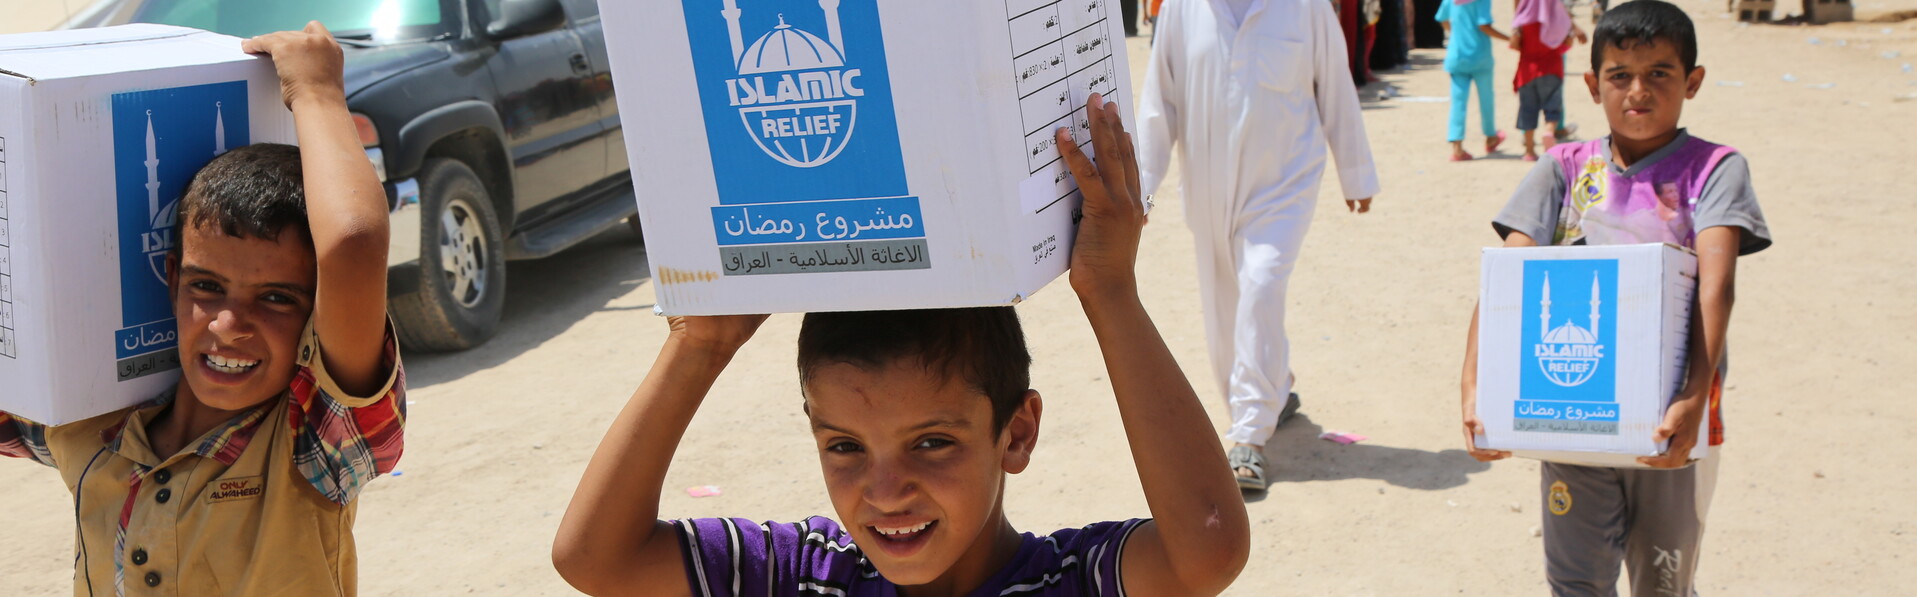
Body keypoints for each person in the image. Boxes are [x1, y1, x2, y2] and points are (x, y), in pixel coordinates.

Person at [550, 94, 1252, 596]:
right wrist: (699, 346)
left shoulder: (1071, 578)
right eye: (845, 446)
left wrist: (1112, 294)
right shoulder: (801, 572)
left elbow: (1207, 548)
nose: (885, 492)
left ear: (1016, 430)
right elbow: (595, 560)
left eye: (931, 441)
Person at [0, 23, 404, 596]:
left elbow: (353, 246)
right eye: (206, 286)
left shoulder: (311, 448)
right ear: (171, 279)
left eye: (276, 298)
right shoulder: (94, 431)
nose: (227, 326)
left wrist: (316, 94)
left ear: (319, 313)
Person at [1458, 2, 1772, 594]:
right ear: (1592, 84)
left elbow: (1716, 284)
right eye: (1619, 75)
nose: (1638, 91)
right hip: (1572, 413)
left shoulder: (1713, 169)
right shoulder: (1563, 169)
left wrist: (1693, 397)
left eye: (1660, 73)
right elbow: (1508, 279)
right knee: (1576, 583)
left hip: (1670, 424)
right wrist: (1477, 387)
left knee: (1664, 581)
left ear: (1693, 82)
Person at [1137, 0, 1380, 493]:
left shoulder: (1306, 7)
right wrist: (1141, 186)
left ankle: (1249, 435)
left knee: (1261, 284)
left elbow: (1334, 83)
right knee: (1226, 308)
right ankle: (1276, 390)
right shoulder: (1183, 9)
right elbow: (1160, 104)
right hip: (1208, 189)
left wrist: (1355, 172)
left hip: (1284, 185)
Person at [1510, 0, 1589, 161]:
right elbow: (1567, 41)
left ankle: (1530, 151)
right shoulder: (1556, 19)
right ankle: (1549, 131)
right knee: (1552, 107)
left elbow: (1515, 44)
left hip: (1527, 71)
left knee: (1527, 109)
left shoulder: (1524, 20)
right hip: (1552, 68)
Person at [1438, 0, 1512, 161]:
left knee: (1458, 102)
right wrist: (1509, 39)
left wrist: (1456, 35)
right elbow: (1483, 25)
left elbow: (1442, 18)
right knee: (1487, 99)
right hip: (1480, 56)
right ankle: (1491, 136)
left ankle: (1457, 146)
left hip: (1457, 55)